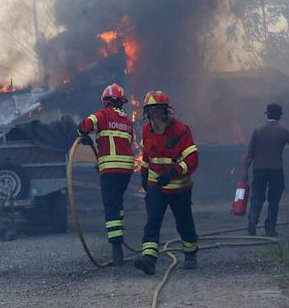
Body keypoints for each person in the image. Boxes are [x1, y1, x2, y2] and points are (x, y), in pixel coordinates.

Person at [133, 90, 199, 275]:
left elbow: (193, 158)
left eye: (157, 111)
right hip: (156, 186)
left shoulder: (181, 130)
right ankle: (149, 260)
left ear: (166, 111)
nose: (153, 116)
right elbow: (146, 155)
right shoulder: (146, 130)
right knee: (153, 221)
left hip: (179, 187)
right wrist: (144, 174)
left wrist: (174, 171)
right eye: (150, 112)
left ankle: (191, 252)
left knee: (184, 222)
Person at [77, 83, 134, 265]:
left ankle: (117, 251)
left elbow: (85, 125)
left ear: (106, 101)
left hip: (110, 169)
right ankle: (120, 239)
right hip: (126, 169)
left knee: (111, 207)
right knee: (117, 203)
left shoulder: (102, 115)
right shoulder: (127, 121)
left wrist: (82, 134)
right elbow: (126, 143)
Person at [242, 103, 289, 237]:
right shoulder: (283, 132)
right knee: (274, 200)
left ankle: (253, 218)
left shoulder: (257, 131)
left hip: (259, 170)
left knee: (257, 197)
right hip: (276, 170)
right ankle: (270, 228)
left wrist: (245, 171)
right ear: (279, 116)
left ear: (267, 114)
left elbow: (249, 154)